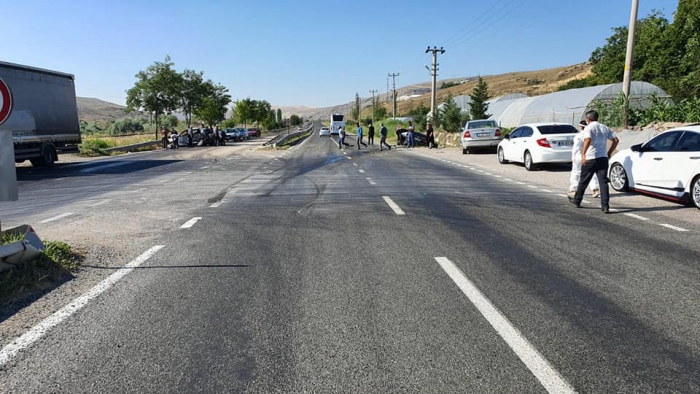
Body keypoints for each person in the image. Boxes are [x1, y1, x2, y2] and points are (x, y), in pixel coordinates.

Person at [569, 109, 619, 213]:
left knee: (583, 180)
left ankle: (577, 200)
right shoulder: (604, 127)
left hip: (591, 158)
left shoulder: (588, 128)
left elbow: (587, 140)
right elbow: (616, 140)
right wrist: (609, 152)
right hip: (603, 158)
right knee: (603, 183)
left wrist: (583, 154)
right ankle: (605, 206)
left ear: (588, 119)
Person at [569, 120, 599, 197]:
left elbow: (576, 147)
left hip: (580, 155)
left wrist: (573, 157)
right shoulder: (592, 134)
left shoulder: (579, 136)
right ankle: (595, 189)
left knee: (576, 172)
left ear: (580, 127)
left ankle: (573, 189)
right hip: (590, 155)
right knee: (591, 173)